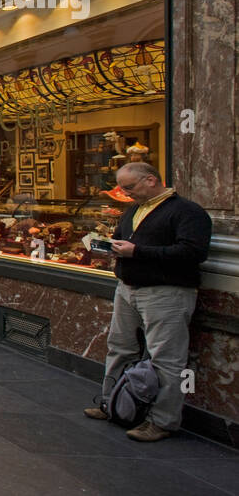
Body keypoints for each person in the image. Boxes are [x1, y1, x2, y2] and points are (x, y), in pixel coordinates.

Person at [83, 161, 211, 441]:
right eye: (122, 188)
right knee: (119, 347)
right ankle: (112, 404)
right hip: (128, 288)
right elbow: (123, 241)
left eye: (130, 187)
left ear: (151, 180)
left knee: (166, 359)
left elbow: (193, 252)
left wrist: (138, 252)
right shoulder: (133, 211)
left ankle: (161, 421)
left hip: (166, 292)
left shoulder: (188, 212)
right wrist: (111, 248)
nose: (126, 193)